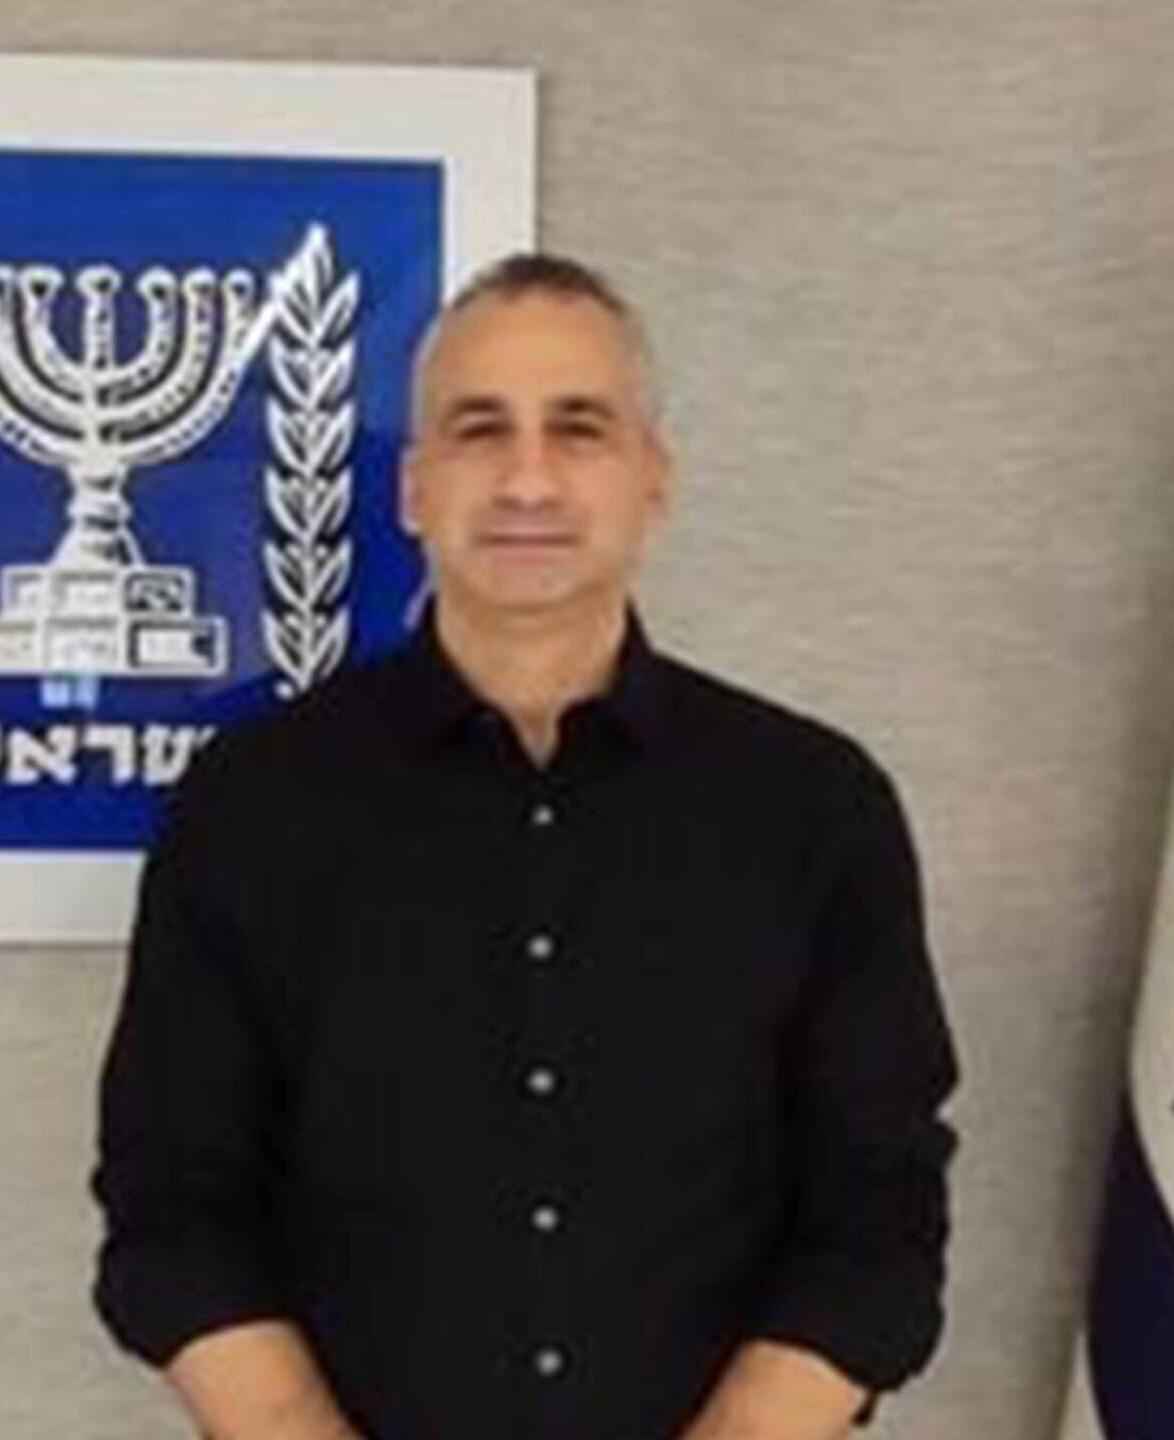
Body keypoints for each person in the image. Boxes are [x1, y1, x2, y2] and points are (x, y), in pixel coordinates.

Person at [91, 253, 960, 1440]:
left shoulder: (815, 808)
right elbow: (173, 1213)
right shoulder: (249, 805)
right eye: (479, 429)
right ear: (413, 487)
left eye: (580, 428)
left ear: (654, 480)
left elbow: (878, 1218)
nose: (528, 478)